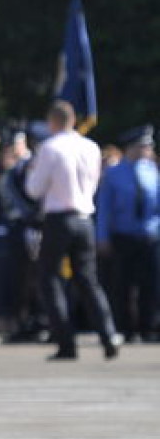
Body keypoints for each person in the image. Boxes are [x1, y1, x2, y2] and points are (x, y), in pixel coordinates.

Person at [22, 100, 121, 360]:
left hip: (58, 218)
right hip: (85, 218)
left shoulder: (50, 147)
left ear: (53, 121)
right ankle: (108, 334)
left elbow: (34, 190)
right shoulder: (90, 147)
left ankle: (66, 342)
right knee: (88, 280)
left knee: (49, 279)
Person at [96, 124, 159, 342]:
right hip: (123, 237)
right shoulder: (114, 174)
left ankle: (147, 328)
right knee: (123, 285)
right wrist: (102, 237)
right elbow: (105, 209)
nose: (147, 149)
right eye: (143, 146)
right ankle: (125, 328)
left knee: (149, 285)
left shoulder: (152, 172)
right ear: (131, 148)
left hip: (149, 237)